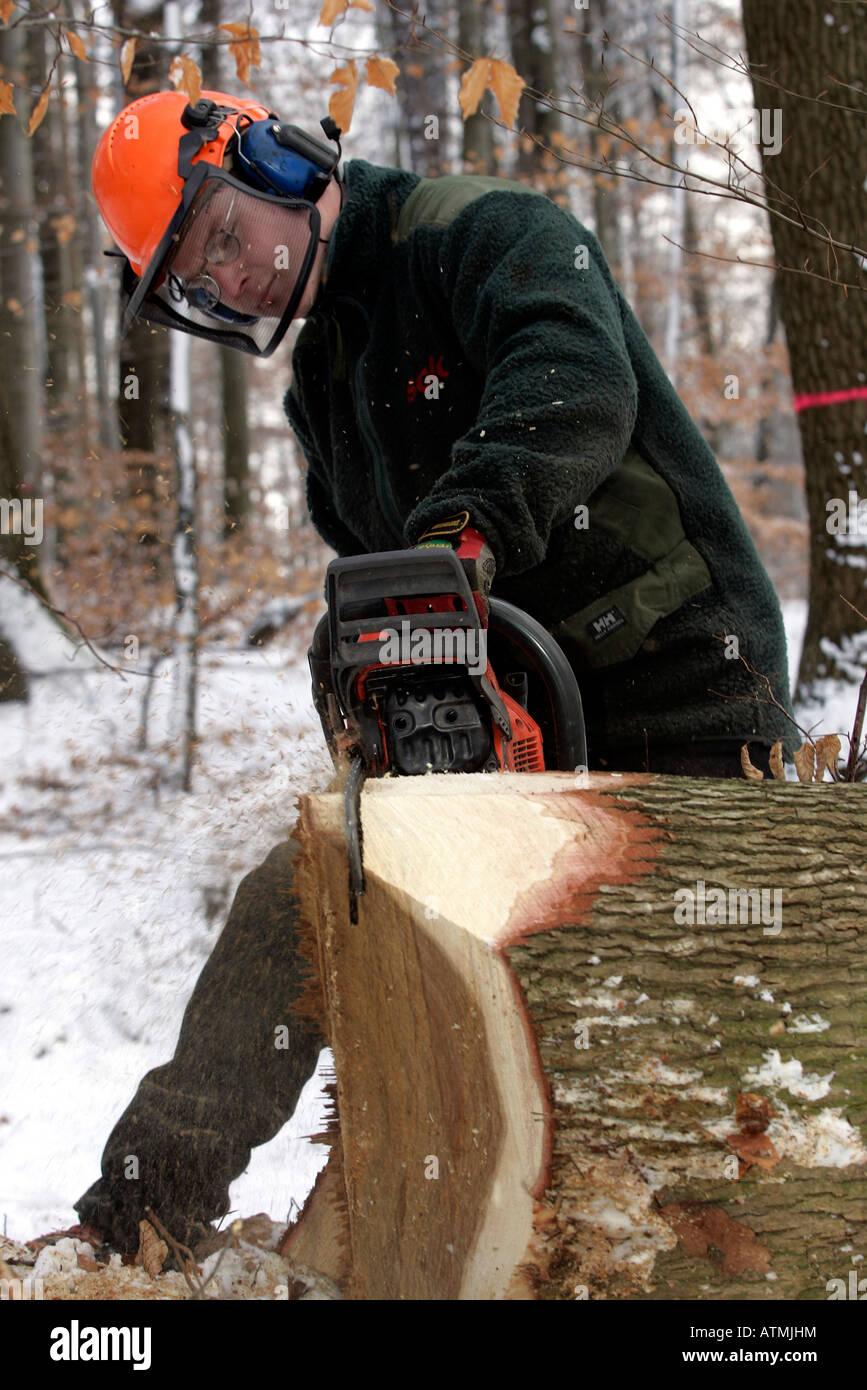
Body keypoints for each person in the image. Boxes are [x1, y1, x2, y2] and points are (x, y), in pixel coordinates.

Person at [70, 88, 797, 1253]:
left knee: (666, 1042)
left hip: (683, 690)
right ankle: (140, 1217)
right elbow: (372, 587)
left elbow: (574, 381)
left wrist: (463, 532)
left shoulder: (479, 231)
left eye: (219, 236)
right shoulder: (324, 390)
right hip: (524, 733)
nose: (230, 278)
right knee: (296, 896)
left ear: (272, 159)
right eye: (195, 281)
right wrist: (359, 689)